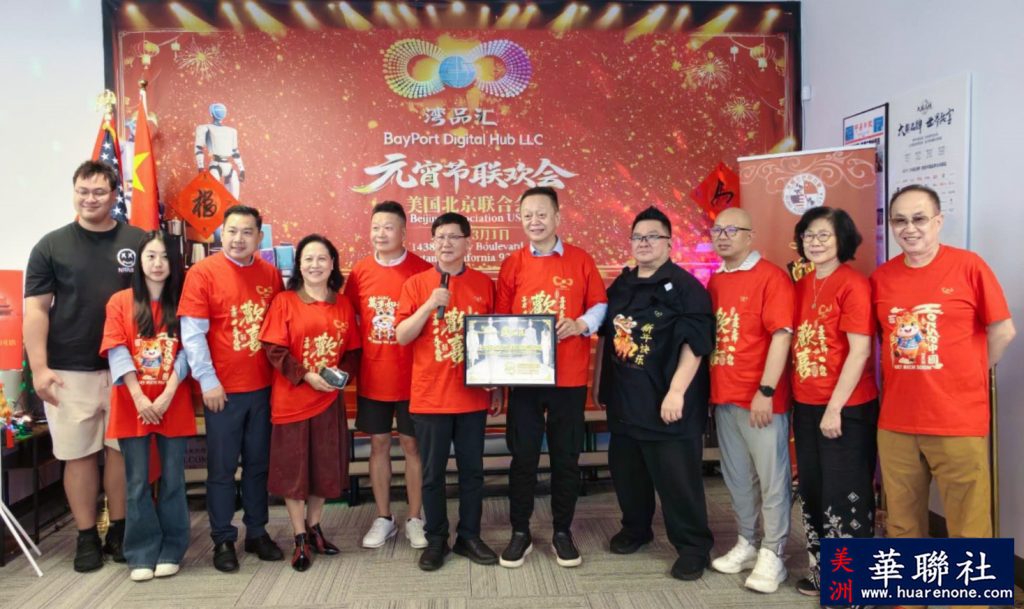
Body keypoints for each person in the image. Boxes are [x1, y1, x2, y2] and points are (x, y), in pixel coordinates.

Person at [871, 186, 1014, 573]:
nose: (909, 228)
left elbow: (1003, 331)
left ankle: (967, 599)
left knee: (969, 525)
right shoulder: (882, 278)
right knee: (902, 523)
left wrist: (970, 372)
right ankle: (909, 595)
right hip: (896, 421)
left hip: (957, 419)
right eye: (900, 220)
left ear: (938, 221)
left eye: (919, 219)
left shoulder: (969, 266)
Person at [24, 160, 146, 572]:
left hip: (127, 369)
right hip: (68, 369)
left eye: (98, 192)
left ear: (114, 195)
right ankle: (86, 535)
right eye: (82, 191)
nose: (90, 199)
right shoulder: (51, 245)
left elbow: (155, 303)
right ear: (74, 192)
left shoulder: (137, 241)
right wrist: (39, 369)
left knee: (120, 453)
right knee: (78, 456)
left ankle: (119, 530)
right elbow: (36, 311)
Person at [592, 206, 716, 581]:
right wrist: (599, 385)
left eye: (652, 237)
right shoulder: (622, 285)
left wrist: (677, 391)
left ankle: (693, 547)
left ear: (669, 243)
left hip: (668, 402)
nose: (644, 243)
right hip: (625, 400)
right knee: (628, 474)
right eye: (638, 237)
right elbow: (606, 335)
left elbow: (696, 344)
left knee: (678, 481)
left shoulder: (686, 287)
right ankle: (636, 529)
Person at [494, 186, 607, 569]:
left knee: (565, 457)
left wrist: (581, 324)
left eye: (542, 214)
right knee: (522, 457)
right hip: (524, 378)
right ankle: (520, 532)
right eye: (527, 215)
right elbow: (501, 321)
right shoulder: (512, 264)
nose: (535, 221)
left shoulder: (580, 260)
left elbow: (600, 304)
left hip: (569, 378)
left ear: (558, 217)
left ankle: (562, 531)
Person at [179, 204, 284, 572]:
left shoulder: (270, 274)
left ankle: (256, 531)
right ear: (221, 233)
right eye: (232, 231)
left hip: (264, 388)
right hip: (222, 391)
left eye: (247, 232)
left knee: (258, 464)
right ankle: (223, 538)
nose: (239, 239)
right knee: (222, 469)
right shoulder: (202, 273)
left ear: (259, 237)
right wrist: (207, 380)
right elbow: (193, 334)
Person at [395, 212, 497, 572]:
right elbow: (402, 336)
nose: (447, 243)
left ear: (468, 242)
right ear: (432, 242)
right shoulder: (416, 284)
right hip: (430, 398)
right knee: (432, 474)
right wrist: (428, 304)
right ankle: (437, 538)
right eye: (440, 237)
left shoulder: (484, 284)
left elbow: (496, 338)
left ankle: (469, 536)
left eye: (454, 237)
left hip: (472, 397)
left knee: (472, 472)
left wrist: (497, 385)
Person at [789, 207, 878, 597]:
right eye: (809, 235)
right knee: (813, 490)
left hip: (846, 408)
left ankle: (851, 586)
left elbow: (860, 352)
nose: (815, 242)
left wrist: (834, 407)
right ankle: (823, 574)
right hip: (806, 405)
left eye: (824, 235)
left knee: (846, 494)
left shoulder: (853, 284)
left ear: (842, 239)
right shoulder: (802, 283)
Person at [260, 234, 361, 571]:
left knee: (324, 467)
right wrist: (305, 376)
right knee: (294, 471)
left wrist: (341, 376)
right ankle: (299, 535)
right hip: (292, 401)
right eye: (308, 259)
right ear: (299, 265)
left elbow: (353, 352)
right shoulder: (284, 302)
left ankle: (315, 526)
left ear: (332, 264)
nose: (315, 265)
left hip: (329, 401)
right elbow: (274, 349)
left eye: (321, 259)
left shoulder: (343, 304)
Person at [706, 207, 794, 593]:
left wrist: (767, 390)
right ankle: (747, 541)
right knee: (738, 477)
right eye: (717, 230)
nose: (723, 236)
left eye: (732, 230)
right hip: (724, 395)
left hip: (760, 399)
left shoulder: (771, 277)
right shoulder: (715, 280)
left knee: (772, 479)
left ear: (750, 235)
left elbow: (782, 335)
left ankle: (775, 552)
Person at [99, 231, 196, 582]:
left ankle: (172, 548)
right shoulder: (119, 301)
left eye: (165, 257)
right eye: (151, 256)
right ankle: (140, 551)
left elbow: (188, 351)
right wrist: (140, 397)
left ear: (175, 263)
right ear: (139, 261)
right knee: (137, 480)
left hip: (173, 402)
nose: (157, 264)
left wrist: (167, 393)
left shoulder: (184, 301)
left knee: (172, 479)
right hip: (132, 404)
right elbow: (117, 350)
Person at [345, 201, 431, 550]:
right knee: (378, 444)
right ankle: (384, 518)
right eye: (376, 227)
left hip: (414, 377)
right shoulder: (359, 272)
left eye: (388, 227)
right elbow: (350, 321)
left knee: (412, 446)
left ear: (404, 232)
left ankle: (415, 517)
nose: (381, 234)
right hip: (374, 375)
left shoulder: (422, 270)